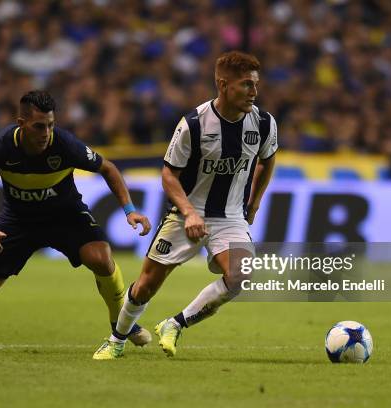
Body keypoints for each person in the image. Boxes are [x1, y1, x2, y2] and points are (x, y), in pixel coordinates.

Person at [93, 51, 278, 359]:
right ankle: (117, 339)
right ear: (223, 84)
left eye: (256, 85)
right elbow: (168, 175)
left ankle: (175, 324)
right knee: (146, 286)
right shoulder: (194, 124)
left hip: (230, 216)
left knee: (240, 276)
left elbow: (267, 160)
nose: (254, 93)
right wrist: (190, 212)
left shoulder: (263, 123)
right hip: (185, 215)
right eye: (246, 85)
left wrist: (254, 203)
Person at [0, 90, 152, 352]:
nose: (46, 133)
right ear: (21, 124)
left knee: (101, 258)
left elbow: (108, 168)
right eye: (39, 126)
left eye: (51, 125)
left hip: (64, 215)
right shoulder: (0, 147)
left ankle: (122, 325)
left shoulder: (65, 145)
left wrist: (129, 210)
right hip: (18, 221)